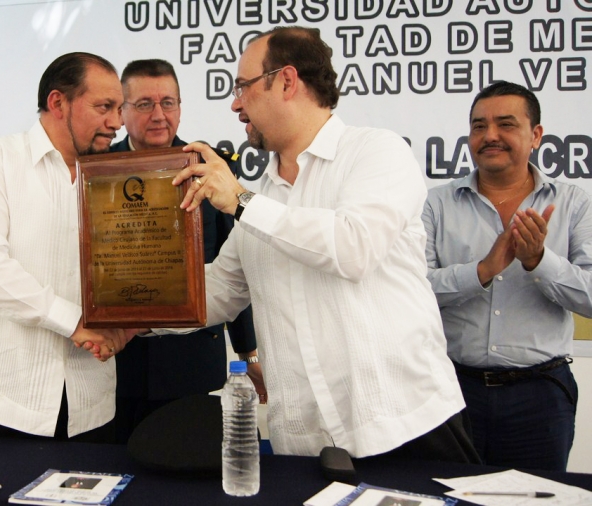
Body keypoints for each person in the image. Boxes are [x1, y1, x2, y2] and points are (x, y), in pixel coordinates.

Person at [163, 27, 477, 461]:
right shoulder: (263, 196)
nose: (235, 104)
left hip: (405, 432)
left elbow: (352, 248)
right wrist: (120, 314)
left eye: (243, 87)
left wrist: (240, 200)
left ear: (287, 81)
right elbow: (216, 291)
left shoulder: (377, 153)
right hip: (305, 449)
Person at [0, 53, 134, 442]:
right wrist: (73, 321)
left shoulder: (120, 178)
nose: (117, 122)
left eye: (119, 108)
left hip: (91, 404)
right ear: (57, 102)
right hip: (4, 403)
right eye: (104, 107)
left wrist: (131, 321)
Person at [422, 81, 591, 471]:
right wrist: (482, 271)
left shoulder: (574, 204)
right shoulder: (436, 204)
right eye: (479, 126)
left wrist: (539, 263)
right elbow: (412, 290)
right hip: (451, 390)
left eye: (505, 124)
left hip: (541, 397)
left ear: (535, 136)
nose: (490, 136)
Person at [109, 59, 259, 443]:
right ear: (121, 111)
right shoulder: (96, 172)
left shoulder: (211, 167)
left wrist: (248, 352)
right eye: (144, 104)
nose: (159, 115)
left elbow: (234, 262)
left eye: (169, 103)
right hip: (115, 365)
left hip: (192, 362)